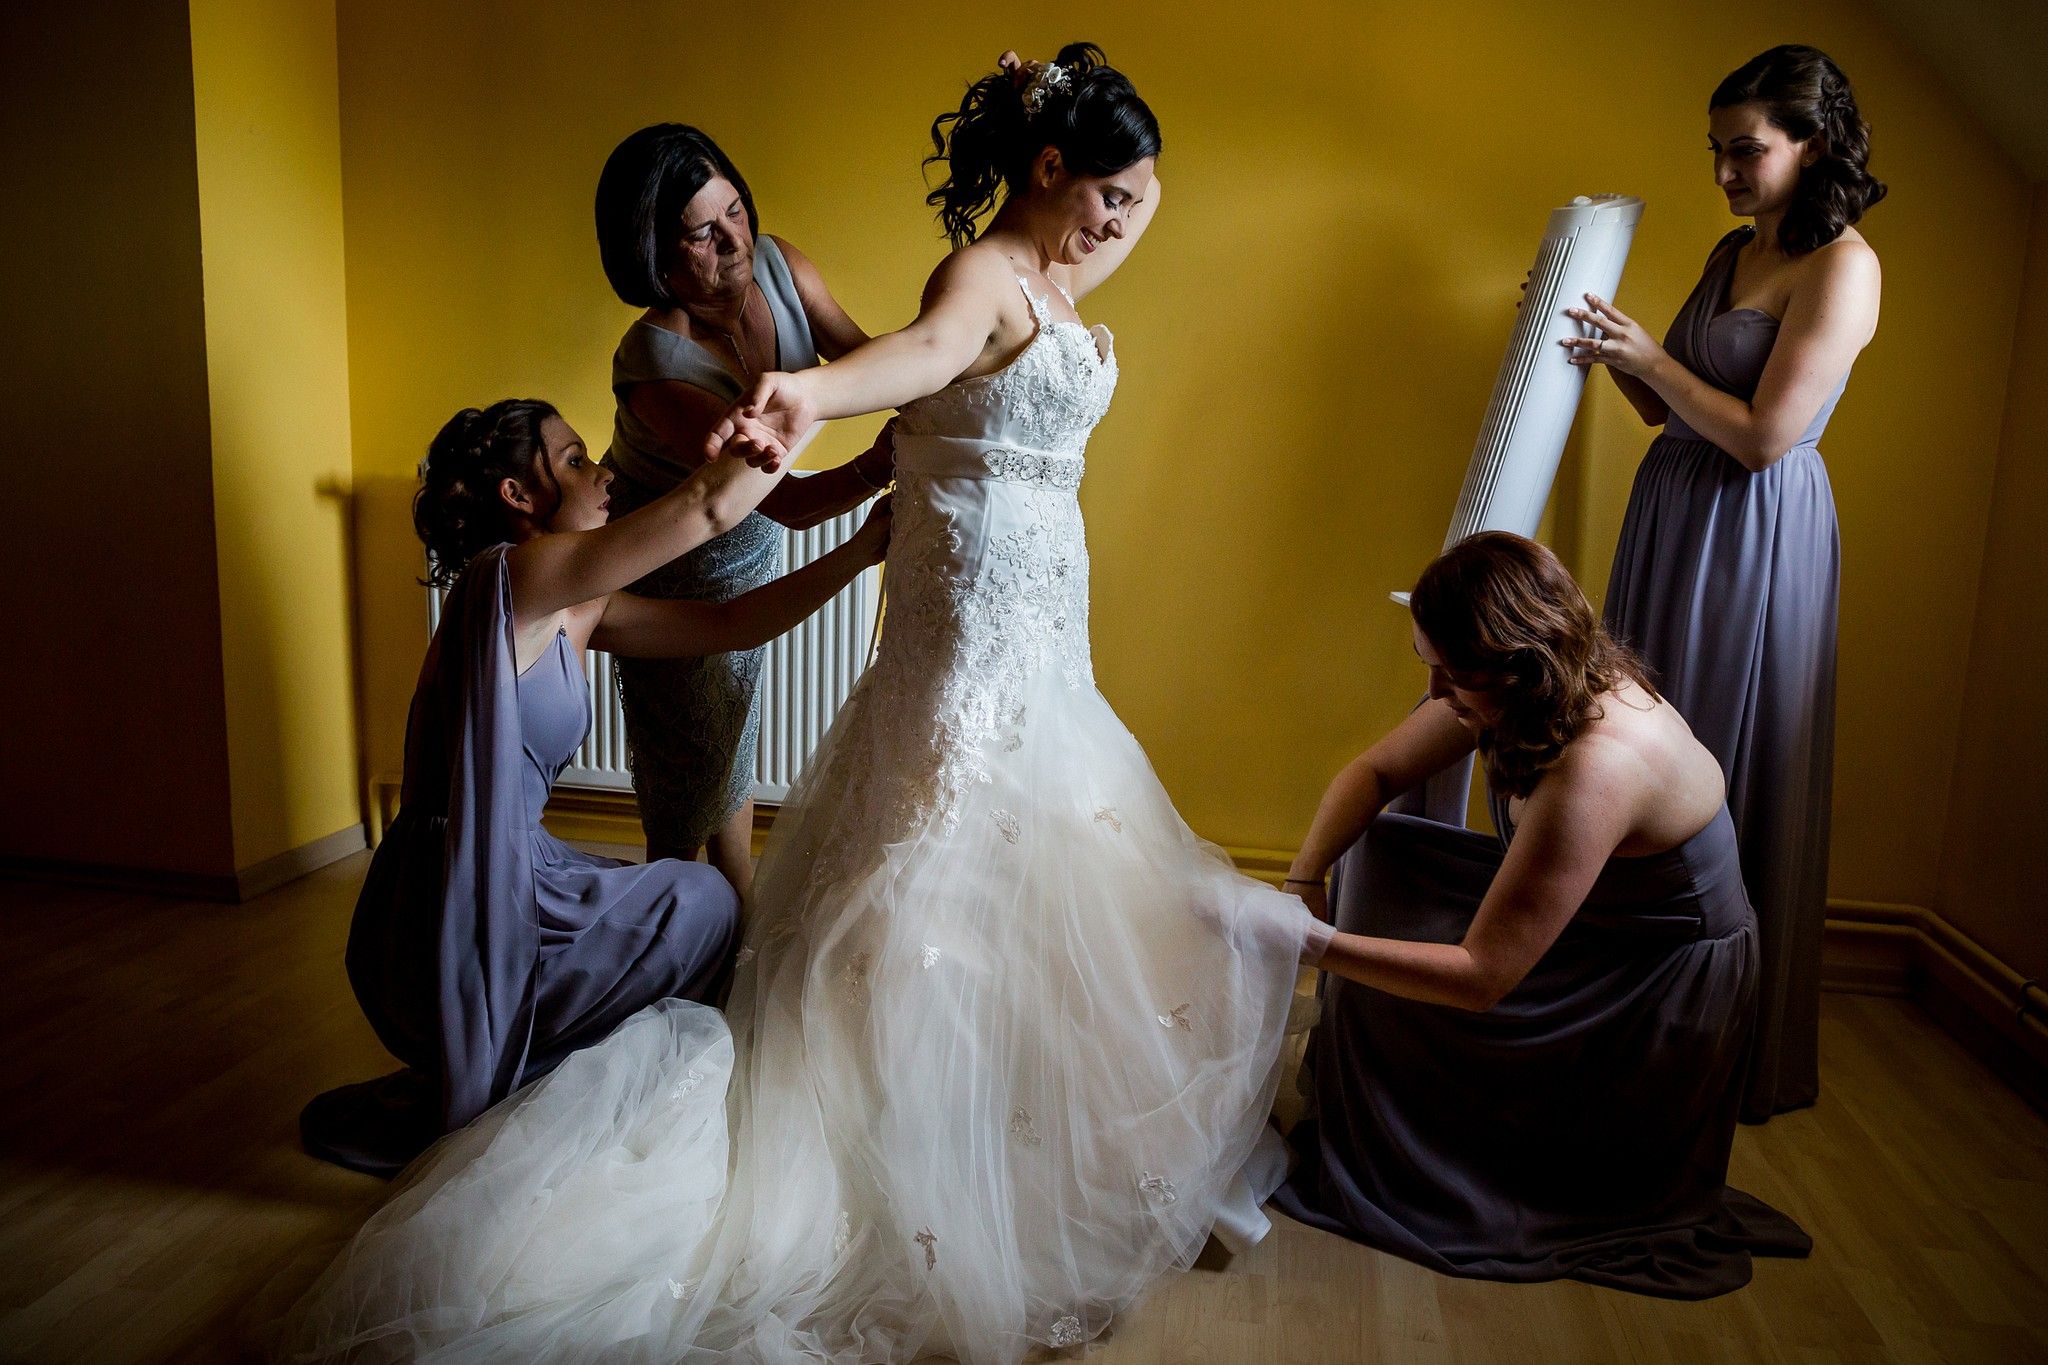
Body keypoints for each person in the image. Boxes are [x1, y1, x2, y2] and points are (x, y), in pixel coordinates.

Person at [272, 46, 1323, 1363]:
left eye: (731, 216)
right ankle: (708, 1035)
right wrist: (813, 407)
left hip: (913, 578)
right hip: (709, 550)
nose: (724, 244)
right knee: (712, 827)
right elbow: (885, 381)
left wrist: (865, 516)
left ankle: (789, 1027)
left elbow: (881, 397)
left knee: (888, 836)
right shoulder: (650, 405)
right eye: (1107, 194)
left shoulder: (1014, 264)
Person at [297, 397, 889, 1178]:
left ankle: (566, 1066)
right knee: (703, 901)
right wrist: (809, 403)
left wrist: (859, 553)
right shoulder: (511, 575)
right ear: (519, 495)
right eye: (574, 460)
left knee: (696, 900)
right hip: (447, 897)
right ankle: (540, 1076)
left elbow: (728, 626)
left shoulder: (575, 601)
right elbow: (707, 507)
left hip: (515, 867)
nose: (603, 473)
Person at [1273, 531, 1811, 1298]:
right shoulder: (1513, 686)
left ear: (1517, 661)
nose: (1435, 691)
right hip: (1593, 917)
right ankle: (1371, 1095)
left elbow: (1480, 978)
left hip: (1648, 981)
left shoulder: (1599, 765)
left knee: (1380, 955)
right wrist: (1304, 881)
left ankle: (1412, 1150)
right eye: (1427, 662)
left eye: (1451, 673)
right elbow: (1376, 770)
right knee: (1381, 851)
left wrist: (1316, 943)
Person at [1564, 44, 1883, 1119]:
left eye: (1744, 151)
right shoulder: (1732, 249)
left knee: (1720, 759)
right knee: (1629, 750)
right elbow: (1668, 407)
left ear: (1813, 145)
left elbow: (1761, 437)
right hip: (1671, 513)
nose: (1723, 173)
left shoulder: (1842, 267)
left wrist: (1648, 358)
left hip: (1753, 533)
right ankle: (1618, 1019)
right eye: (1715, 151)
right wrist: (1601, 345)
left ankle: (1708, 1054)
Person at [595, 124, 895, 894]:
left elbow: (862, 355)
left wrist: (947, 384)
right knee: (682, 776)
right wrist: (876, 467)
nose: (733, 240)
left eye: (735, 209)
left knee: (731, 749)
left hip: (747, 552)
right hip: (671, 575)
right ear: (653, 255)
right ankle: (672, 928)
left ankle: (740, 914)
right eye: (701, 232)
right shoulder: (655, 363)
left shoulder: (780, 265)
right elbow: (786, 502)